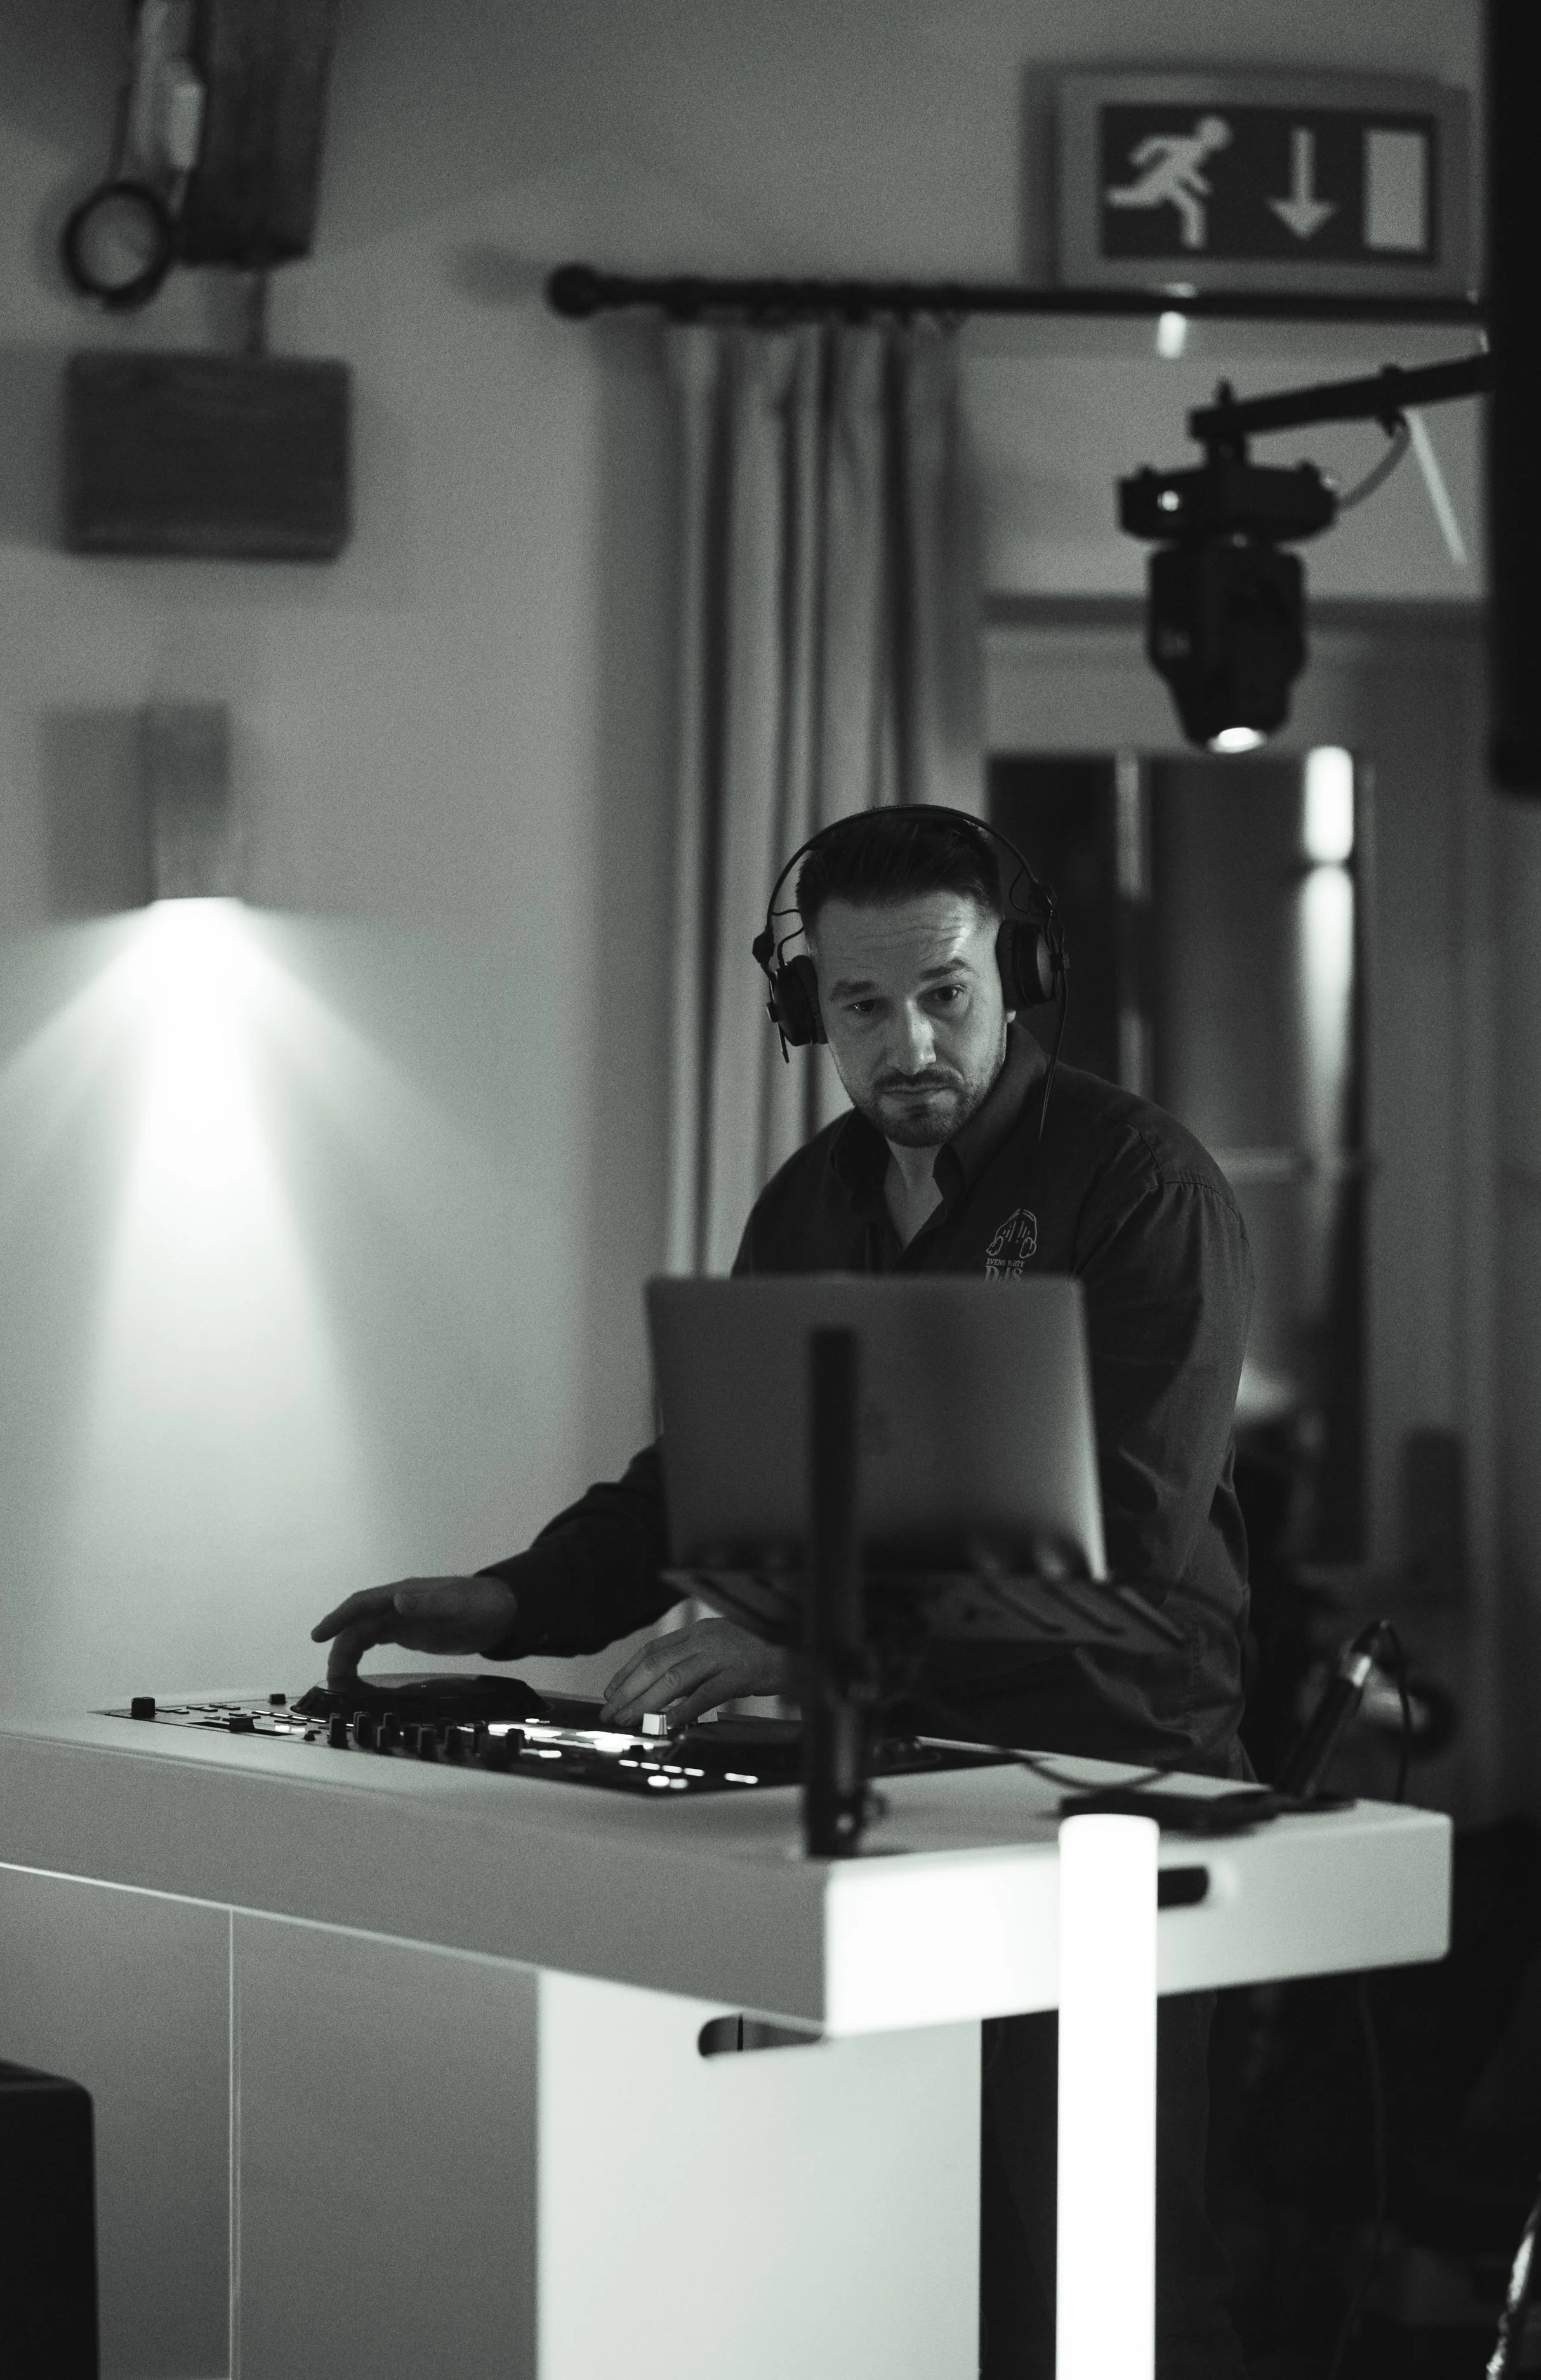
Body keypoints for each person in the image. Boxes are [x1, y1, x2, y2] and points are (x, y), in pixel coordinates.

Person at [312, 805, 1253, 2380]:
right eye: (859, 1006)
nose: (907, 1041)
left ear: (1013, 976)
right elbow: (712, 1472)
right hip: (881, 1802)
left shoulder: (1138, 1186)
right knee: (895, 2277)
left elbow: (1131, 1547)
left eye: (943, 993)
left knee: (1093, 2305)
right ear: (803, 1010)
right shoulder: (811, 1201)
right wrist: (503, 1601)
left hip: (1107, 1801)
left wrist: (793, 1634)